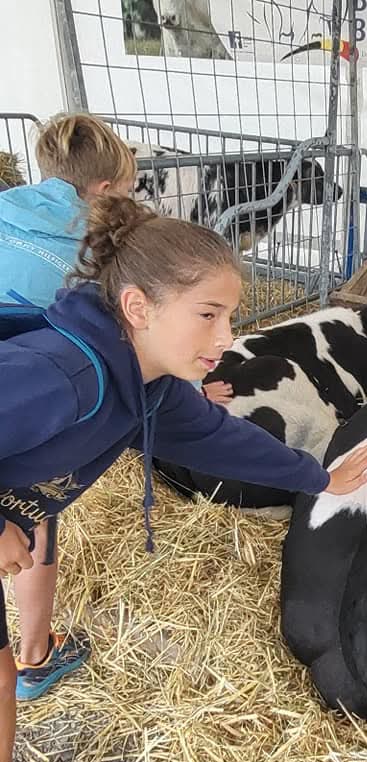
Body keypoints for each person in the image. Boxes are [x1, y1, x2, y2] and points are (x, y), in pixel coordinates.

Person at [0, 195, 367, 762]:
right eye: (208, 314)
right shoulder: (62, 376)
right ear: (138, 307)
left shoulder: (148, 386)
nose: (227, 337)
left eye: (228, 316)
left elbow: (219, 439)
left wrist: (318, 477)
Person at [0, 113, 232, 703]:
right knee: (34, 503)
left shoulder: (8, 209)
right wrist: (184, 390)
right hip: (28, 401)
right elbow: (128, 347)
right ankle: (35, 654)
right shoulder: (94, 252)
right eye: (127, 190)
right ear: (105, 190)